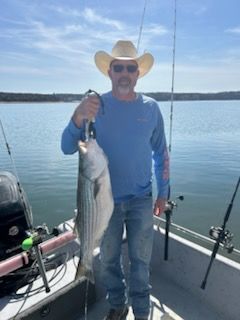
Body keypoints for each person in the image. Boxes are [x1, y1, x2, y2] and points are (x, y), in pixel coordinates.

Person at [61, 40, 169, 320]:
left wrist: (163, 192)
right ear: (109, 72)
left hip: (142, 200)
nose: (124, 72)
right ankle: (118, 305)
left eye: (130, 67)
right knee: (108, 261)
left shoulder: (151, 108)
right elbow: (66, 147)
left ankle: (142, 313)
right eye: (118, 67)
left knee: (140, 262)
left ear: (138, 73)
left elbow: (161, 153)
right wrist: (77, 115)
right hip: (103, 205)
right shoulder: (95, 106)